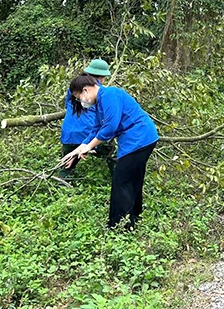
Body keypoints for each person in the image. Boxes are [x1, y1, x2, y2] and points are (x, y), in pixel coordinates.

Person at [61, 75, 159, 229]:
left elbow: (109, 127)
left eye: (78, 97)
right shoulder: (100, 102)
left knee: (122, 181)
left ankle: (120, 226)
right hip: (140, 138)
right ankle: (135, 215)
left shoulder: (109, 96)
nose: (80, 101)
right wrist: (78, 150)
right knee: (133, 177)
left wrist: (89, 147)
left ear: (85, 90)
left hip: (139, 137)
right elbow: (96, 129)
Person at [58, 59, 115, 178]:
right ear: (101, 77)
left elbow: (67, 106)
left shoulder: (73, 88)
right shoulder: (99, 92)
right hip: (88, 132)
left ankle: (61, 184)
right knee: (111, 151)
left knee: (67, 164)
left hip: (68, 133)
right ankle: (118, 177)